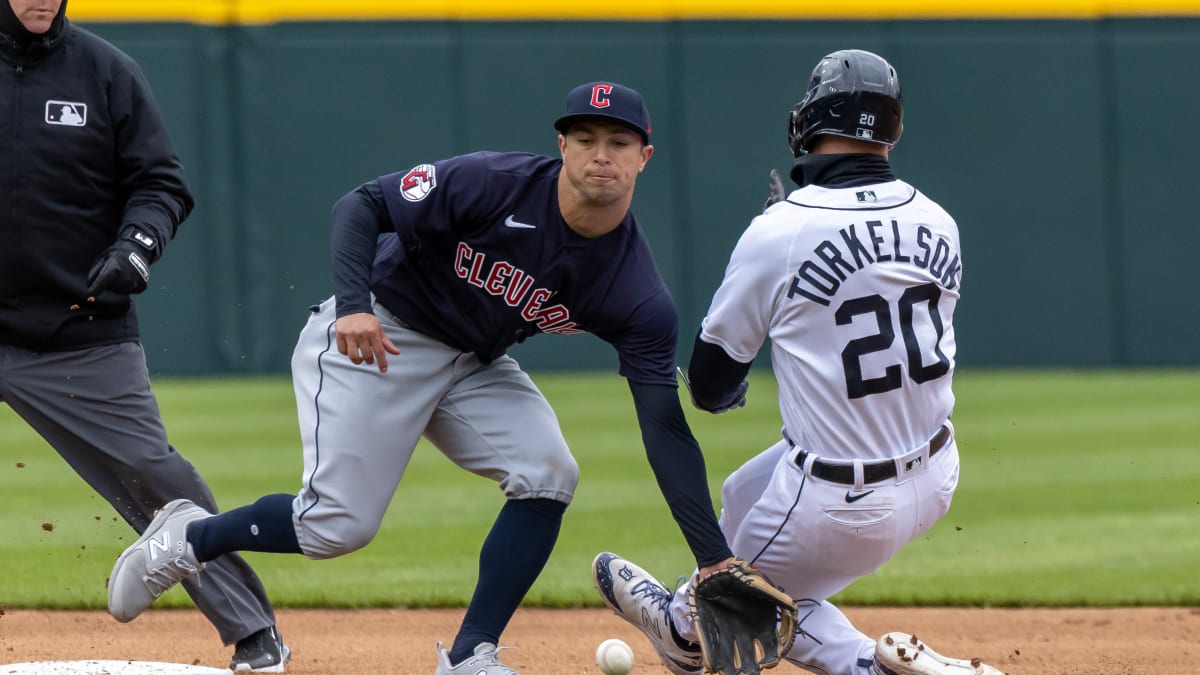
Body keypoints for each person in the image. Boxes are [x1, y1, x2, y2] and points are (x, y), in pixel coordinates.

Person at [106, 80, 736, 675]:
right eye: (587, 139)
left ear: (644, 157)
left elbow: (663, 426)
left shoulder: (636, 291)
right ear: (562, 146)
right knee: (336, 528)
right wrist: (352, 304)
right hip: (382, 332)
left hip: (475, 363)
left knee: (549, 473)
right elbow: (362, 205)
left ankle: (470, 655)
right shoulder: (495, 182)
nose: (602, 155)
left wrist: (713, 558)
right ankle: (189, 536)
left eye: (619, 142)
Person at [593, 50, 1005, 675]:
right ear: (892, 126)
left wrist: (771, 259)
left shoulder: (780, 231)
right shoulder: (937, 220)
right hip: (937, 474)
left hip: (840, 502)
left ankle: (706, 628)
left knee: (734, 611)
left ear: (812, 120)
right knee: (741, 491)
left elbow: (708, 383)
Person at [0, 0, 290, 671]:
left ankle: (252, 627)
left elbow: (161, 182)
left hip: (78, 328)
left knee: (158, 478)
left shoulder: (105, 71)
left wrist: (139, 242)